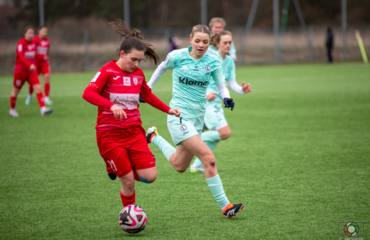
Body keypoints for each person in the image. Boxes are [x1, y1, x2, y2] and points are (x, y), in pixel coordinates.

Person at [146, 24, 244, 218]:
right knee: (209, 158)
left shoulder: (213, 60)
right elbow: (161, 68)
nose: (201, 45)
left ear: (210, 43)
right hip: (178, 115)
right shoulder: (178, 56)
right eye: (197, 41)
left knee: (179, 165)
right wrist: (147, 87)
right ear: (191, 40)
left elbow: (220, 83)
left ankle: (153, 136)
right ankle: (226, 207)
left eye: (205, 42)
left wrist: (226, 97)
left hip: (198, 118)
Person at [82, 20, 180, 209]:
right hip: (110, 135)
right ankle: (130, 213)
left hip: (134, 132)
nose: (136, 64)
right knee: (128, 181)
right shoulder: (107, 71)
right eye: (132, 60)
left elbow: (147, 95)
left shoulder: (139, 75)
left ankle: (117, 168)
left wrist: (168, 109)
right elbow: (88, 93)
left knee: (150, 176)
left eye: (139, 61)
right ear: (122, 54)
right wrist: (111, 106)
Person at [190, 31, 252, 173]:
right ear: (217, 44)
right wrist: (206, 93)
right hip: (206, 103)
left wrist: (242, 90)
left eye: (230, 42)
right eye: (225, 42)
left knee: (216, 137)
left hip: (218, 103)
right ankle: (191, 139)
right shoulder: (209, 58)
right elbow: (196, 79)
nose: (228, 45)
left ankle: (197, 165)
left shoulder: (230, 62)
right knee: (225, 133)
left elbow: (231, 83)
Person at [9, 27, 53, 117]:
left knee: (38, 88)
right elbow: (21, 56)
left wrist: (42, 60)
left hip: (31, 71)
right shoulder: (21, 43)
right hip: (20, 71)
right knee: (16, 91)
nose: (31, 35)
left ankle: (43, 109)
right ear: (24, 34)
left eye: (32, 33)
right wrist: (30, 65)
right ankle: (12, 109)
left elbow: (38, 53)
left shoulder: (35, 42)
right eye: (29, 33)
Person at [26, 26, 53, 105]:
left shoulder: (48, 41)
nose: (45, 33)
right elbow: (33, 52)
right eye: (43, 31)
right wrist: (41, 57)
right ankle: (30, 95)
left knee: (47, 79)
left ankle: (47, 98)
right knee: (33, 82)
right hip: (35, 64)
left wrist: (47, 60)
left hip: (44, 63)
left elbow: (47, 53)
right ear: (39, 31)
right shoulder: (35, 40)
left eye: (46, 31)